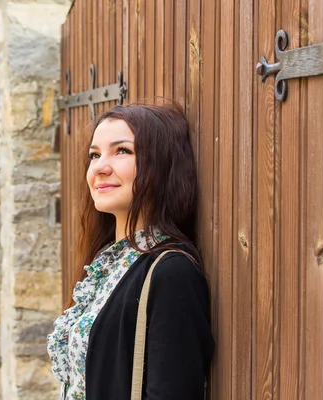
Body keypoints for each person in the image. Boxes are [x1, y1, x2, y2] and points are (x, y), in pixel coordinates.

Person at [47, 102, 214, 399]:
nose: (100, 166)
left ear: (160, 165)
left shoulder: (172, 272)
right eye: (95, 154)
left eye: (122, 151)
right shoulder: (107, 262)